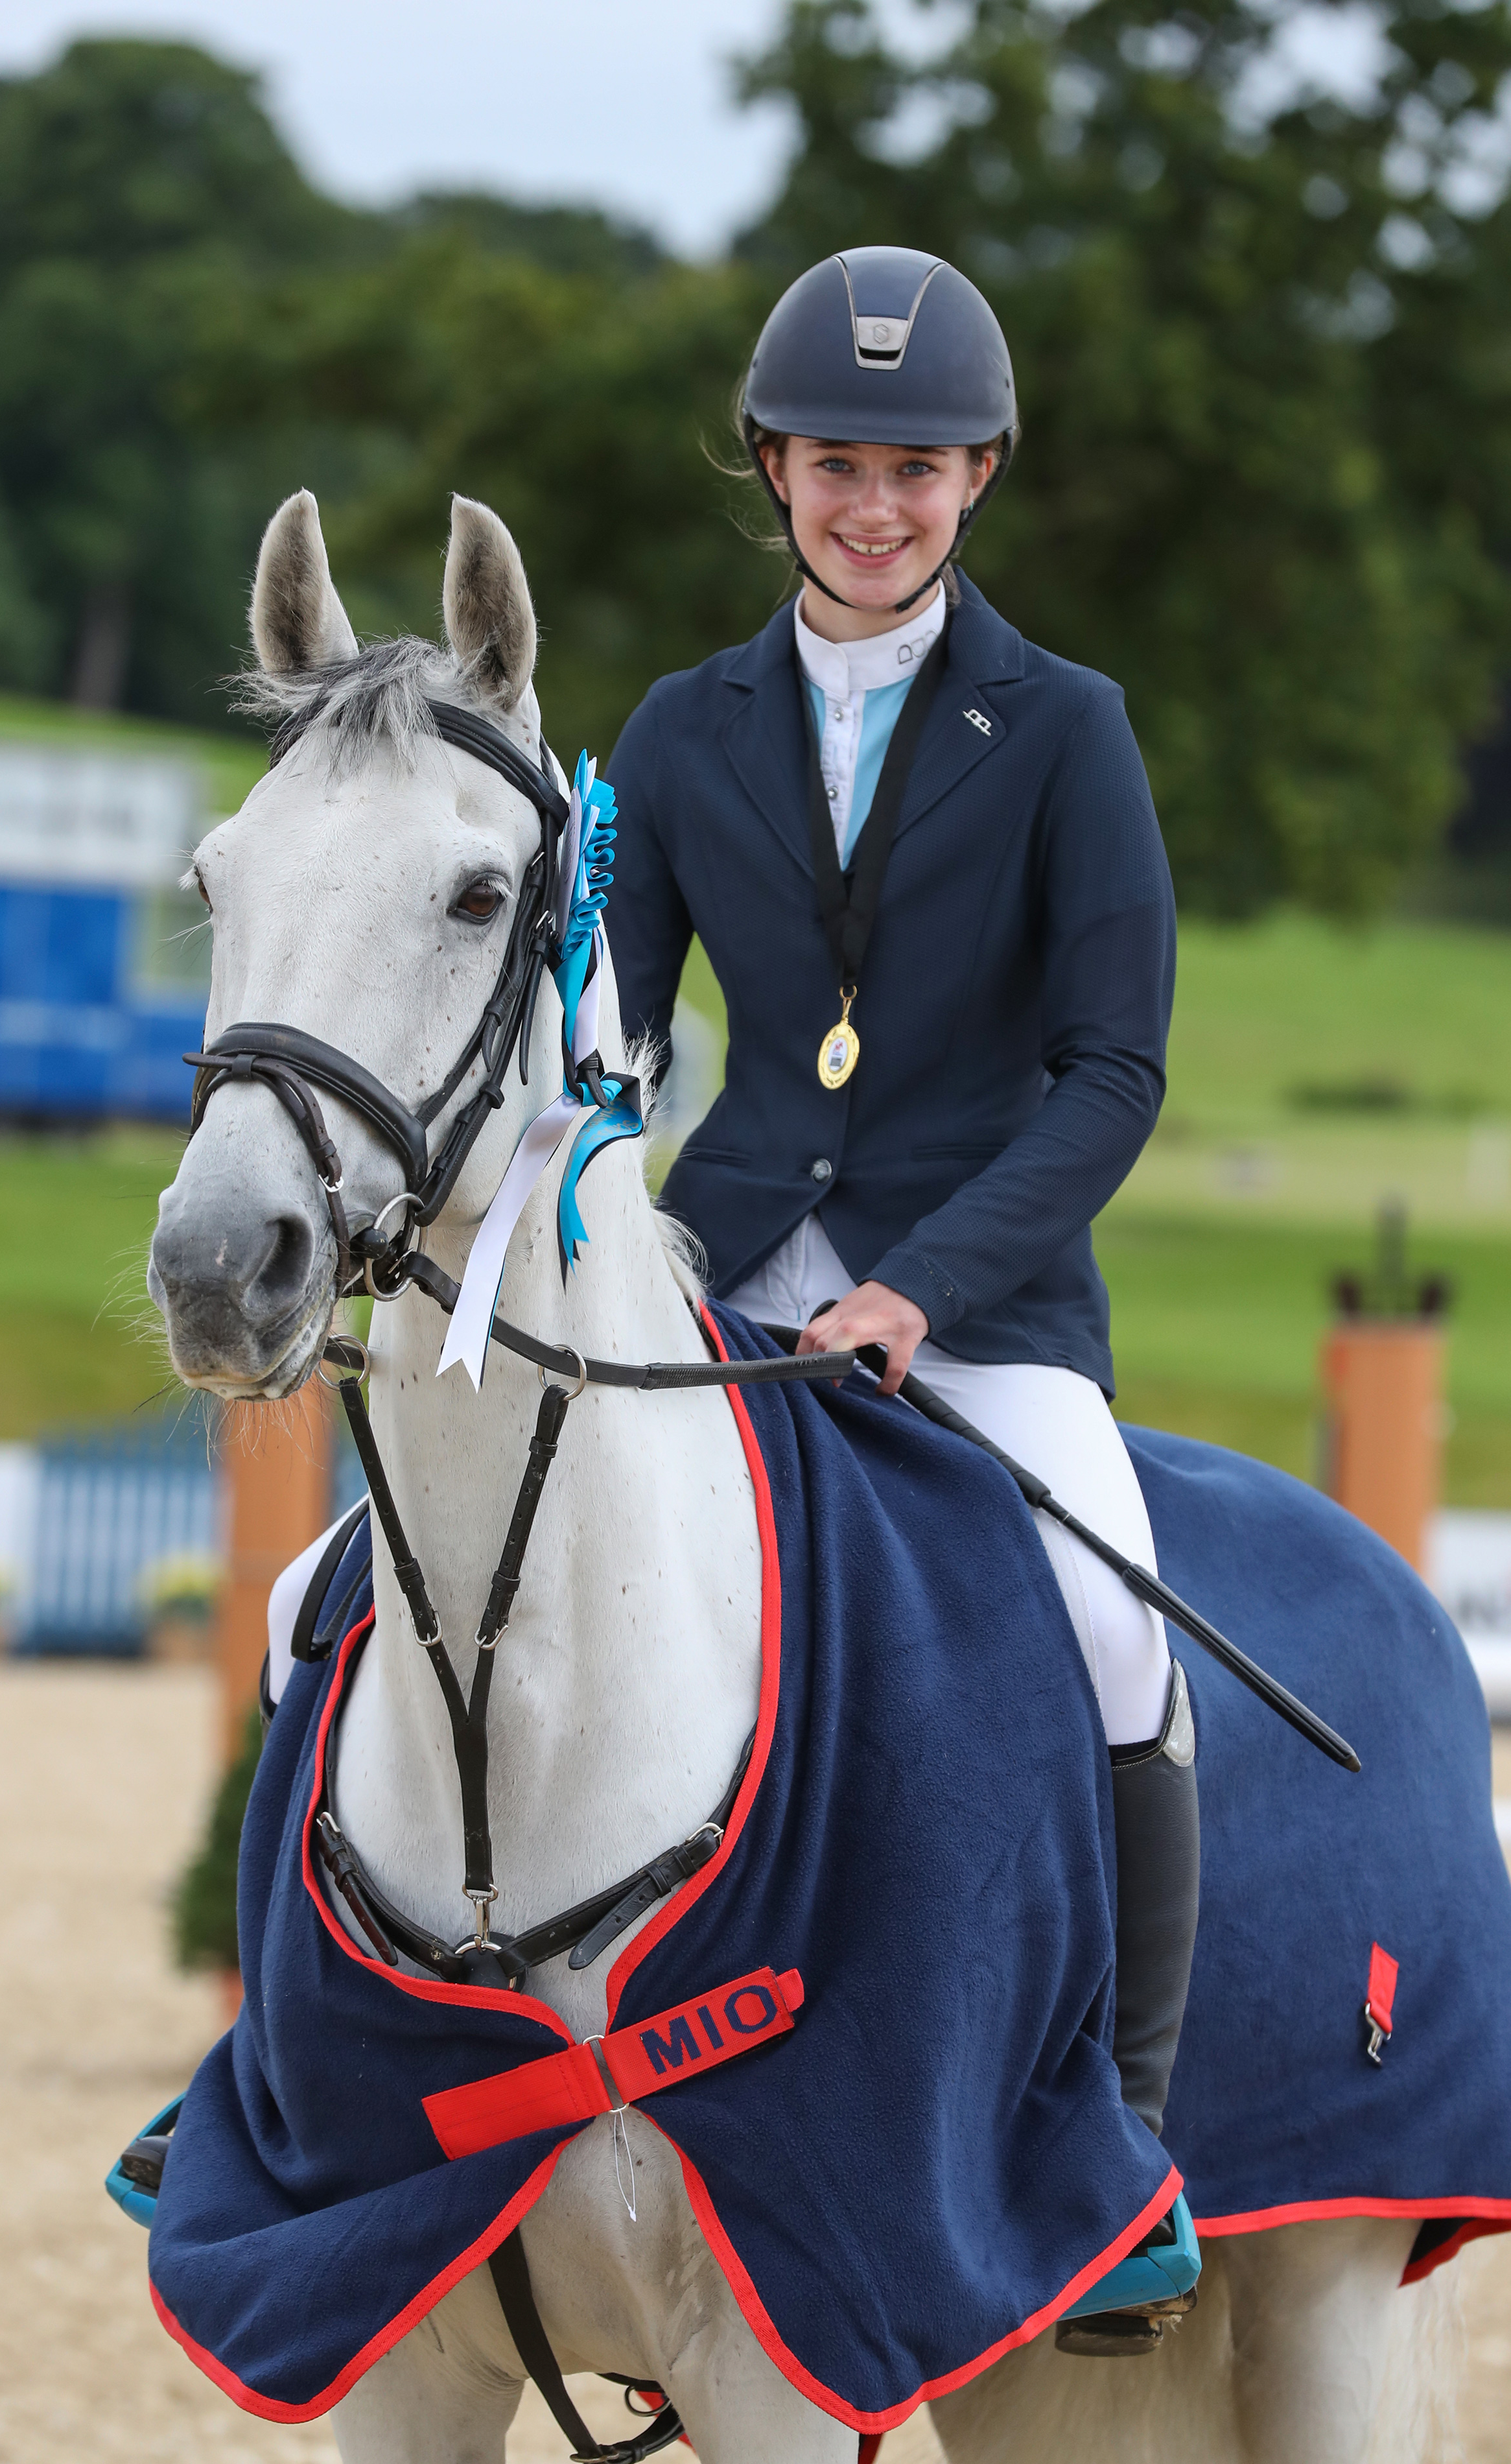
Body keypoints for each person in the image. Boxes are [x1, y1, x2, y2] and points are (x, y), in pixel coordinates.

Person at [605, 246, 1199, 2354]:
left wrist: (921, 1290)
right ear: (774, 465)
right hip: (718, 1276)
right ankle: (294, 2077)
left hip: (983, 1301)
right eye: (841, 464)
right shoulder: (675, 731)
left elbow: (1113, 1073)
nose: (877, 506)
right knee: (371, 1576)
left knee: (1117, 1623)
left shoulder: (1070, 730)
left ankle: (1119, 2141)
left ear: (980, 479)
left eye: (919, 470)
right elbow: (612, 1039)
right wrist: (580, 1177)